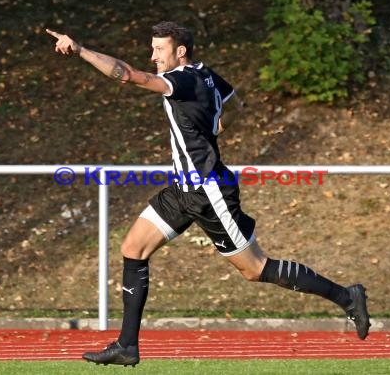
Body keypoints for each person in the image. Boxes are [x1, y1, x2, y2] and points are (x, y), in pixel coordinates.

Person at [47, 21, 370, 367]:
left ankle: (346, 295)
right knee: (133, 248)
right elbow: (233, 99)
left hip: (207, 192)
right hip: (181, 191)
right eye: (152, 48)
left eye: (160, 49)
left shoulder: (183, 80)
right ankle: (127, 346)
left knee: (255, 269)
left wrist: (80, 50)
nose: (153, 55)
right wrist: (216, 119)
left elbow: (129, 76)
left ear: (180, 52)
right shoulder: (207, 75)